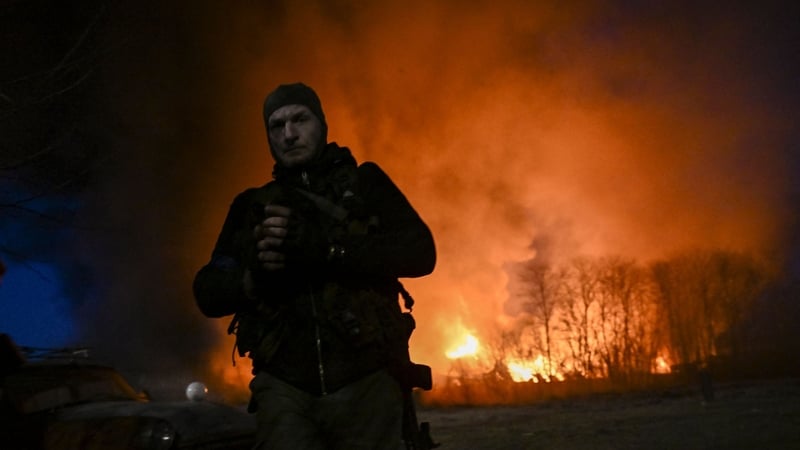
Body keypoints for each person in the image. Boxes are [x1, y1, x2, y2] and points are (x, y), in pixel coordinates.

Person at [193, 82, 436, 449]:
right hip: (286, 389)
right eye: (277, 126)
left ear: (322, 124)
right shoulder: (252, 206)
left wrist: (328, 251)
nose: (289, 134)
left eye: (299, 119)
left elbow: (420, 253)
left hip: (366, 380)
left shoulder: (365, 184)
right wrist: (253, 278)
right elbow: (207, 291)